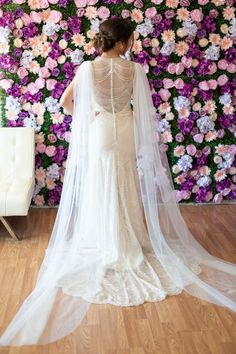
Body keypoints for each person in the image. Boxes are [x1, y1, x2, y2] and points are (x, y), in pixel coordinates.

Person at [0, 18, 236, 347]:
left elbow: (66, 102)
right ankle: (129, 238)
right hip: (123, 129)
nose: (134, 44)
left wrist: (90, 114)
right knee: (124, 180)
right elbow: (142, 112)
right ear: (123, 43)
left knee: (102, 183)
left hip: (100, 132)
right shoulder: (134, 71)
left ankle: (102, 237)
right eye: (132, 40)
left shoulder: (86, 69)